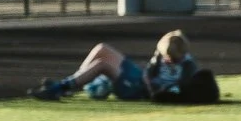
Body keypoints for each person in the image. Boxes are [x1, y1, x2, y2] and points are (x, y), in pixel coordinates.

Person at [31, 29, 196, 101]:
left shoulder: (187, 67)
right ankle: (72, 84)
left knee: (103, 64)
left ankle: (60, 88)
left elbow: (178, 89)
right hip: (140, 80)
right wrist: (147, 77)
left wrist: (155, 88)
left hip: (139, 91)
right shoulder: (161, 56)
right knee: (102, 48)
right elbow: (149, 72)